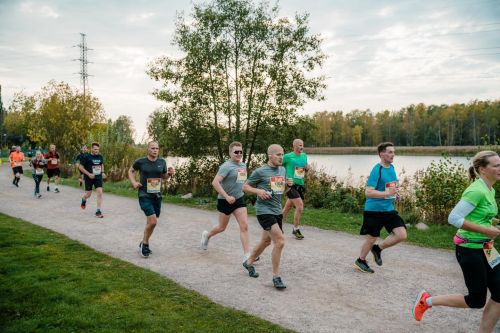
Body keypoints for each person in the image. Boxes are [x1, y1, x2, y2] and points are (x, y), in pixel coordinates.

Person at [413, 151, 500, 332]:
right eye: (496, 165)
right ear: (483, 169)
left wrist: (492, 225)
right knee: (476, 300)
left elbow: (480, 217)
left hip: (488, 248)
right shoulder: (476, 190)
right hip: (469, 249)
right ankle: (426, 301)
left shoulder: (490, 189)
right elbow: (453, 218)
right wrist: (486, 230)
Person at [242, 144, 291, 289]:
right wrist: (258, 191)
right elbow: (245, 187)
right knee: (280, 241)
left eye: (282, 154)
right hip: (264, 211)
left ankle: (249, 262)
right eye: (278, 154)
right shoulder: (260, 171)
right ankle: (276, 277)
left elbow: (282, 190)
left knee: (265, 241)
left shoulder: (282, 170)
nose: (281, 157)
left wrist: (288, 185)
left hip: (277, 211)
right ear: (270, 156)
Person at [354, 142, 407, 273]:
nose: (393, 155)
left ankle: (378, 249)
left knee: (401, 235)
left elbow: (390, 187)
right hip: (374, 210)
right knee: (372, 237)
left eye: (393, 152)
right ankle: (360, 260)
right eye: (389, 152)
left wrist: (395, 194)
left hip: (388, 209)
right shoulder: (377, 170)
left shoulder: (392, 168)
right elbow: (368, 192)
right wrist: (387, 194)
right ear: (381, 154)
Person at [201, 141, 252, 263]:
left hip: (239, 199)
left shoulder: (243, 165)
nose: (239, 154)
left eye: (241, 152)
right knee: (221, 227)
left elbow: (242, 181)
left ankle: (247, 256)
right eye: (236, 152)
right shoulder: (226, 166)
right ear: (230, 153)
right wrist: (227, 196)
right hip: (225, 200)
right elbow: (215, 182)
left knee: (244, 226)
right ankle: (207, 235)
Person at [128, 141, 175, 258]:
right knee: (153, 221)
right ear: (148, 149)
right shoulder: (141, 161)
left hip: (157, 196)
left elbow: (163, 177)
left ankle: (144, 242)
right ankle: (145, 244)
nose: (155, 150)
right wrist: (134, 182)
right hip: (144, 195)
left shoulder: (162, 162)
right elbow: (131, 171)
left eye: (157, 148)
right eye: (153, 148)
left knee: (151, 223)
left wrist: (169, 174)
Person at [282, 138, 310, 239]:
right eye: (299, 145)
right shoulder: (288, 157)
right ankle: (296, 229)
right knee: (300, 206)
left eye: (302, 145)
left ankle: (276, 225)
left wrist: (307, 169)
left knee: (287, 208)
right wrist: (283, 178)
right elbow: (276, 165)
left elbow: (303, 170)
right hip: (290, 185)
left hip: (300, 185)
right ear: (294, 146)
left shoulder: (304, 155)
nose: (301, 147)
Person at [78, 142, 105, 218]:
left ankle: (98, 211)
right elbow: (80, 167)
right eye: (95, 149)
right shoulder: (86, 157)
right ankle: (84, 199)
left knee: (99, 193)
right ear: (91, 149)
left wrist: (102, 172)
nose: (97, 151)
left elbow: (102, 164)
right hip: (89, 178)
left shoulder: (100, 156)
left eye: (98, 149)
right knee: (88, 194)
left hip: (98, 177)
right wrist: (89, 174)